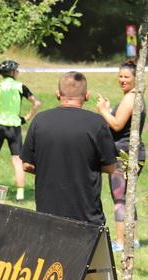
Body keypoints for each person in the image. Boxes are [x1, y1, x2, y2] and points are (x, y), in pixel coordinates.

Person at [21, 72, 117, 224]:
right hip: (86, 217)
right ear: (87, 95)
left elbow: (26, 165)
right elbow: (110, 167)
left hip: (47, 215)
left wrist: (51, 170)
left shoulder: (39, 120)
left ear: (57, 94)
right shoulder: (97, 123)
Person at [95, 60, 146, 252]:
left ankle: (120, 242)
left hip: (124, 154)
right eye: (120, 76)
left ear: (136, 78)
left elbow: (116, 125)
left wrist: (103, 111)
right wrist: (109, 110)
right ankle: (133, 240)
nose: (122, 80)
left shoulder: (130, 98)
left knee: (119, 198)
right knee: (127, 195)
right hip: (132, 152)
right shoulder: (134, 97)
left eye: (126, 77)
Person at [0, 60, 40, 201]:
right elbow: (36, 103)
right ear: (12, 72)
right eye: (17, 70)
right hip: (14, 127)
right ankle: (20, 194)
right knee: (17, 161)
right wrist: (26, 118)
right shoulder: (20, 86)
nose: (18, 72)